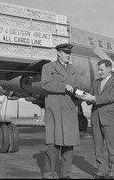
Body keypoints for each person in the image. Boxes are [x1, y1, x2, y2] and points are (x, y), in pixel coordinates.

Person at [41, 43, 81, 179]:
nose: (68, 55)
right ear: (58, 53)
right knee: (52, 147)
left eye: (69, 53)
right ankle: (48, 175)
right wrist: (64, 86)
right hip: (55, 111)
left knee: (68, 147)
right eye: (65, 52)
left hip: (69, 111)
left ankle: (66, 175)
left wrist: (81, 96)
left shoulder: (73, 69)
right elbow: (45, 84)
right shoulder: (48, 67)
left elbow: (76, 88)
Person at [80, 59, 114, 179]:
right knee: (98, 147)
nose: (99, 72)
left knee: (111, 148)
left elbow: (111, 97)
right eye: (98, 70)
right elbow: (91, 99)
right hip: (96, 118)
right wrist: (82, 96)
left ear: (109, 69)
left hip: (108, 118)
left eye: (101, 70)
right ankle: (100, 172)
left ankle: (112, 173)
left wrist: (93, 97)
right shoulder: (96, 82)